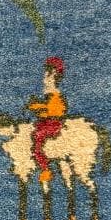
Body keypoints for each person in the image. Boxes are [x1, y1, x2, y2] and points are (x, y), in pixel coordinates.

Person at [26, 56, 67, 184]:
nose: (45, 79)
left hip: (52, 123)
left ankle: (45, 169)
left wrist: (39, 108)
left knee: (37, 138)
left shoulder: (55, 95)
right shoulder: (51, 92)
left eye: (48, 73)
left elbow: (56, 111)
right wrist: (38, 107)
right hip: (46, 121)